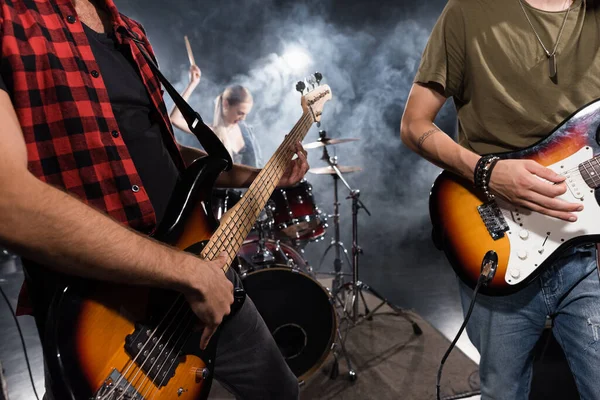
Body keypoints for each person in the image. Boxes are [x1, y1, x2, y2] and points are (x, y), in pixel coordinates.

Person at [0, 0, 308, 398]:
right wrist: (183, 271)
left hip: (200, 268)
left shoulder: (131, 33)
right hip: (104, 320)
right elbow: (9, 200)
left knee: (280, 391)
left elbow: (164, 149)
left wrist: (258, 176)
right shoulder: (10, 19)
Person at [401, 0, 600, 398]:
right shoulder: (468, 11)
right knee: (502, 392)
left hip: (588, 252)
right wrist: (486, 172)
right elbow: (413, 124)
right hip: (498, 241)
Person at [170, 65, 263, 167]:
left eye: (246, 114)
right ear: (226, 104)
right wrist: (192, 84)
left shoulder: (245, 130)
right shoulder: (212, 132)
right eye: (240, 113)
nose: (243, 118)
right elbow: (174, 119)